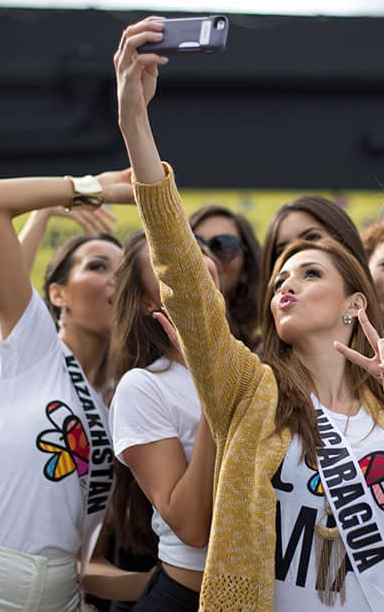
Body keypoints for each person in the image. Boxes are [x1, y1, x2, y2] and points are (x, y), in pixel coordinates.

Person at [115, 18, 384, 611]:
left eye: (311, 273)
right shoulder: (248, 392)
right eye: (280, 279)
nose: (286, 285)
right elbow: (185, 280)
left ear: (355, 303)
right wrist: (135, 125)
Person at [0, 169, 132, 611]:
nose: (115, 279)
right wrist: (86, 191)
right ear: (57, 294)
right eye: (97, 266)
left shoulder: (123, 394)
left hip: (61, 595)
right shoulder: (33, 349)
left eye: (124, 271)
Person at [104, 230, 219, 610]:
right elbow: (191, 527)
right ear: (146, 301)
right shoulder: (143, 387)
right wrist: (212, 395)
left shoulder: (262, 366)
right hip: (185, 598)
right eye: (165, 258)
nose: (190, 259)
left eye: (198, 250)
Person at [189, 205, 261, 348]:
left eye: (223, 246)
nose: (207, 255)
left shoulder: (266, 354)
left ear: (246, 268)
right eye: (195, 245)